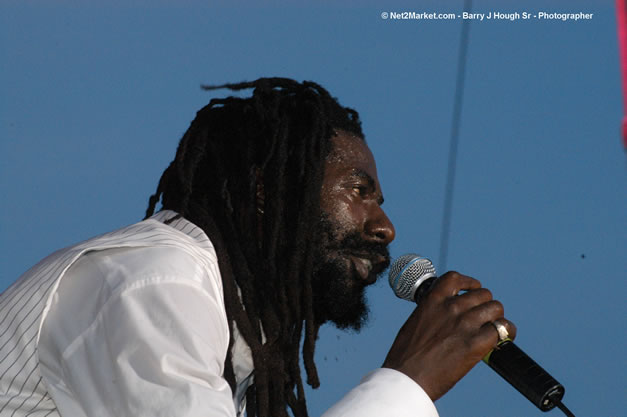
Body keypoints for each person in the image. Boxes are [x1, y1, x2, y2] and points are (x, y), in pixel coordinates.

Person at [0, 78, 515, 417]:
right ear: (270, 190)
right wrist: (410, 380)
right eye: (359, 193)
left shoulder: (234, 324)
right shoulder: (155, 279)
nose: (385, 228)